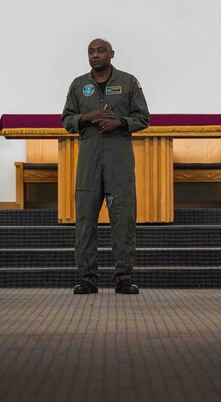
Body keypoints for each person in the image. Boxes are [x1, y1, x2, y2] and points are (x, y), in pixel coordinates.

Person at [62, 38, 149, 295]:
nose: (95, 55)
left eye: (101, 51)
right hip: (89, 164)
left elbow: (143, 117)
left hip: (118, 163)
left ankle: (123, 278)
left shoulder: (128, 82)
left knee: (122, 219)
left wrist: (120, 123)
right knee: (85, 221)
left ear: (112, 54)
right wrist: (85, 118)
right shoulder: (79, 85)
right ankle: (88, 279)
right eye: (91, 51)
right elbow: (66, 119)